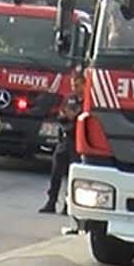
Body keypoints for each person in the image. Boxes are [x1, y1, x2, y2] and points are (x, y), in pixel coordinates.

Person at [41, 66, 85, 214]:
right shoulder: (69, 99)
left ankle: (68, 205)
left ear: (84, 85)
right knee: (56, 172)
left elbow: (83, 118)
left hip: (78, 141)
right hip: (65, 139)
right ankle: (51, 201)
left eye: (77, 85)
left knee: (73, 175)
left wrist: (73, 116)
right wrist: (67, 116)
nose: (74, 88)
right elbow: (61, 115)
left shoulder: (88, 101)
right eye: (73, 85)